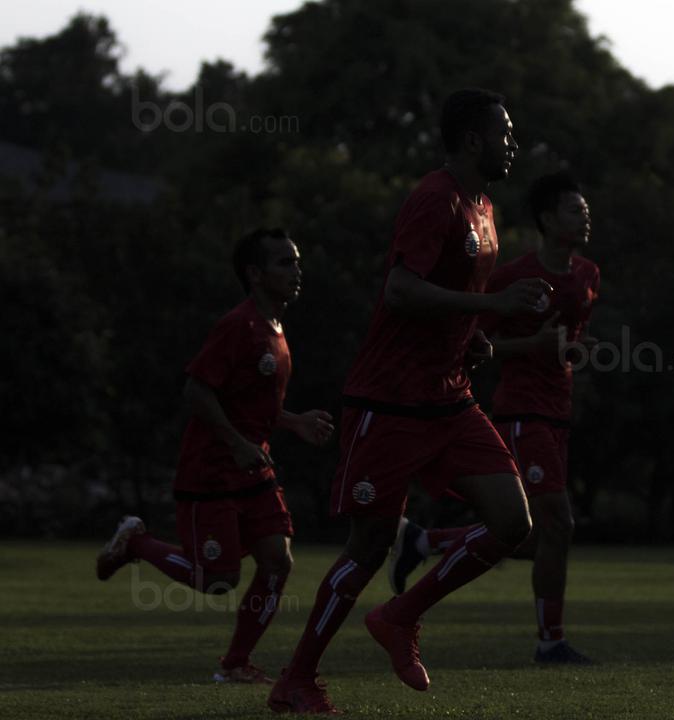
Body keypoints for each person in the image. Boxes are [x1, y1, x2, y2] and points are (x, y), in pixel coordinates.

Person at [268, 89, 548, 714]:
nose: (513, 142)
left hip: (448, 398)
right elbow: (399, 290)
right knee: (368, 547)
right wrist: (493, 308)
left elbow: (447, 297)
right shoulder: (434, 198)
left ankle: (399, 616)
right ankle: (296, 680)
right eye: (505, 132)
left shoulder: (484, 206)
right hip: (389, 402)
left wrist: (474, 338)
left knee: (514, 523)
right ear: (473, 139)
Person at [95, 227, 334, 684]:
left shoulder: (276, 329)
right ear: (255, 274)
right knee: (217, 578)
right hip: (211, 472)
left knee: (278, 561)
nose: (296, 270)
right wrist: (237, 443)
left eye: (296, 261)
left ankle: (235, 664)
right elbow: (197, 391)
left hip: (253, 469)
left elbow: (250, 403)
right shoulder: (238, 326)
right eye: (285, 262)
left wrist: (294, 421)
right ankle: (137, 544)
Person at [389, 171, 600, 664]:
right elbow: (471, 341)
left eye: (585, 209)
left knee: (531, 530)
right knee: (559, 523)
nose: (584, 216)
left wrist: (573, 349)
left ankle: (426, 541)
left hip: (558, 409)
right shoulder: (513, 276)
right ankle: (550, 642)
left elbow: (567, 342)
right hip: (521, 408)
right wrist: (532, 345)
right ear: (547, 220)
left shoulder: (588, 276)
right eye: (575, 209)